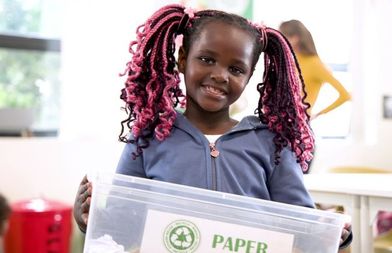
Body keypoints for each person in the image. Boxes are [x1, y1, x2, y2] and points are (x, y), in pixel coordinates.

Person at [73, 4, 351, 249]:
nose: (220, 75)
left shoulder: (272, 144)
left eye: (236, 69)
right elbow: (123, 228)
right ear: (182, 59)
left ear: (250, 76)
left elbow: (301, 227)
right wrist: (88, 219)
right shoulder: (148, 137)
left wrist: (333, 234)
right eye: (207, 59)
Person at [279, 20, 351, 119]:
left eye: (283, 37)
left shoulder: (314, 64)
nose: (280, 42)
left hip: (299, 124)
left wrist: (318, 114)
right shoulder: (290, 60)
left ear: (295, 38)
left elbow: (345, 95)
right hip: (280, 122)